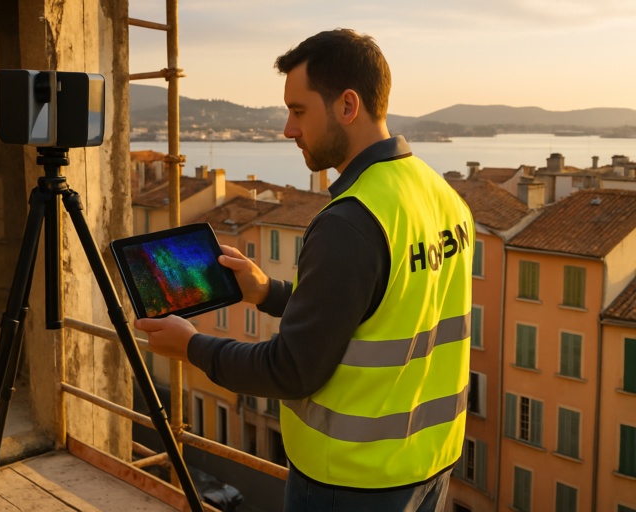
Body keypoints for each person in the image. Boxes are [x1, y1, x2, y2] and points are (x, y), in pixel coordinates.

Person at [135, 28, 474, 512]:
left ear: (347, 106)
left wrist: (190, 345)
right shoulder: (443, 197)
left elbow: (290, 370)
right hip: (427, 471)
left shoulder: (349, 223)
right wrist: (266, 291)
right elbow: (377, 312)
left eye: (298, 111)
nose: (288, 130)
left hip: (347, 484)